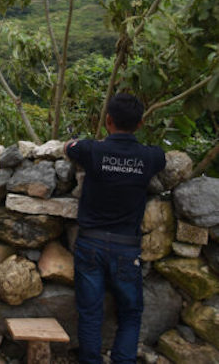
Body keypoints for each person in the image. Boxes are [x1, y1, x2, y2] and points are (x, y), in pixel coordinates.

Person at [65, 93, 166, 364]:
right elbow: (163, 157)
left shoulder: (92, 151)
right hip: (126, 248)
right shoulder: (149, 157)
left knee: (90, 313)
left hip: (90, 244)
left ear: (107, 120)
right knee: (130, 313)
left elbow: (69, 147)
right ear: (140, 123)